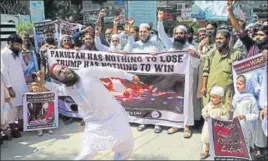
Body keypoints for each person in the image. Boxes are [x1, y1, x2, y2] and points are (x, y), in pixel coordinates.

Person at [36, 64, 140, 160]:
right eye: (59, 72)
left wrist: (129, 76)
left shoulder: (87, 72)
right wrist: (44, 82)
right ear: (58, 79)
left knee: (124, 145)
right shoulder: (67, 88)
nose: (64, 71)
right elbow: (57, 89)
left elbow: (109, 71)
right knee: (88, 151)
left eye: (63, 67)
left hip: (114, 115)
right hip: (94, 123)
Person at [157, 10, 200, 137]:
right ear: (174, 35)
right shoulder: (170, 46)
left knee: (187, 103)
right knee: (174, 101)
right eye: (177, 33)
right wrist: (160, 20)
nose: (179, 35)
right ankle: (175, 125)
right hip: (172, 80)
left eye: (181, 33)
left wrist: (195, 55)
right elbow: (161, 35)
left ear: (186, 35)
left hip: (186, 81)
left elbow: (197, 64)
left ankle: (187, 127)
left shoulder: (191, 48)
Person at [201, 29, 244, 108]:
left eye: (221, 38)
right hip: (212, 92)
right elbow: (205, 71)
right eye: (217, 39)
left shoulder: (236, 54)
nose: (218, 41)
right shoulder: (211, 53)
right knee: (210, 116)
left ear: (228, 39)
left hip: (227, 94)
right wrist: (204, 87)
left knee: (226, 116)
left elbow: (241, 75)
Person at [1, 34, 29, 135]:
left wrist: (27, 62)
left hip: (21, 83)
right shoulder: (3, 53)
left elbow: (24, 68)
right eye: (16, 44)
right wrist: (9, 87)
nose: (18, 47)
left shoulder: (19, 52)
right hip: (11, 85)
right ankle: (12, 127)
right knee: (12, 107)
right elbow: (3, 72)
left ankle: (21, 124)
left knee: (22, 104)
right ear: (10, 43)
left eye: (19, 45)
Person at [200, 86, 229, 159]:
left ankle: (217, 153)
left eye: (214, 97)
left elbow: (227, 116)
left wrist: (220, 118)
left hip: (218, 128)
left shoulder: (222, 107)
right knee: (206, 139)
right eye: (211, 97)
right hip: (208, 126)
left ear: (220, 98)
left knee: (217, 140)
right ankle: (206, 151)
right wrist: (206, 115)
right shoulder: (209, 105)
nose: (211, 99)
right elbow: (203, 111)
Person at [232, 75, 259, 152]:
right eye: (236, 83)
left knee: (245, 148)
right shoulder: (236, 96)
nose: (237, 86)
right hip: (236, 126)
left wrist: (245, 116)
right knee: (236, 147)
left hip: (246, 128)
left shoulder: (251, 98)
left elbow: (255, 115)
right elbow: (234, 109)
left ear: (247, 85)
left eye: (240, 84)